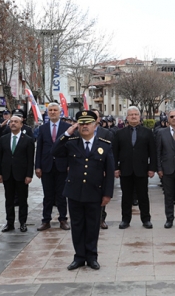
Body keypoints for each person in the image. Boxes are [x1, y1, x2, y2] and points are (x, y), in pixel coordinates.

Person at [53, 111, 114, 271]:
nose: (85, 126)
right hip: (74, 192)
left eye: (88, 123)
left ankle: (92, 257)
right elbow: (55, 151)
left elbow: (110, 171)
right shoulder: (71, 142)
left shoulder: (104, 145)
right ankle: (79, 257)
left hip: (95, 192)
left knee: (93, 226)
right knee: (77, 226)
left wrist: (108, 194)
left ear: (95, 125)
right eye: (81, 123)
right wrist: (67, 132)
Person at [112, 106, 157, 229]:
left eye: (136, 114)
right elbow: (115, 152)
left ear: (139, 117)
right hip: (125, 169)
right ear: (127, 117)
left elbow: (153, 152)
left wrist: (152, 168)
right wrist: (115, 168)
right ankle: (125, 220)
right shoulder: (119, 133)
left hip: (141, 169)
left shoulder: (147, 132)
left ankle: (146, 219)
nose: (133, 116)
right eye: (131, 114)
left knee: (143, 196)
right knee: (126, 196)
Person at [35, 103, 71, 231]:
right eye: (50, 110)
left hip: (62, 166)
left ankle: (63, 219)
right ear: (47, 112)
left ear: (60, 112)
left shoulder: (67, 127)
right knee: (48, 195)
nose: (53, 112)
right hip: (47, 166)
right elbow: (39, 148)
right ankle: (46, 220)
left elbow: (70, 148)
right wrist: (37, 166)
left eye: (55, 110)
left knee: (62, 195)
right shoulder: (43, 128)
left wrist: (70, 165)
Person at [0, 115, 34, 233]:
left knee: (22, 200)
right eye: (11, 122)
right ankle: (10, 223)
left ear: (21, 124)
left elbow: (30, 159)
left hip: (21, 174)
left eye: (16, 122)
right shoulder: (4, 139)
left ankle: (22, 222)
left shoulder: (28, 139)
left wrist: (29, 175)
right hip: (7, 174)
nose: (13, 124)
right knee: (9, 199)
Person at [90, 109, 115, 230]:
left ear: (99, 119)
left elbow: (110, 154)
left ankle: (101, 219)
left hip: (100, 170)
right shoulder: (80, 132)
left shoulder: (106, 133)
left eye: (96, 116)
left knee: (101, 196)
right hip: (85, 171)